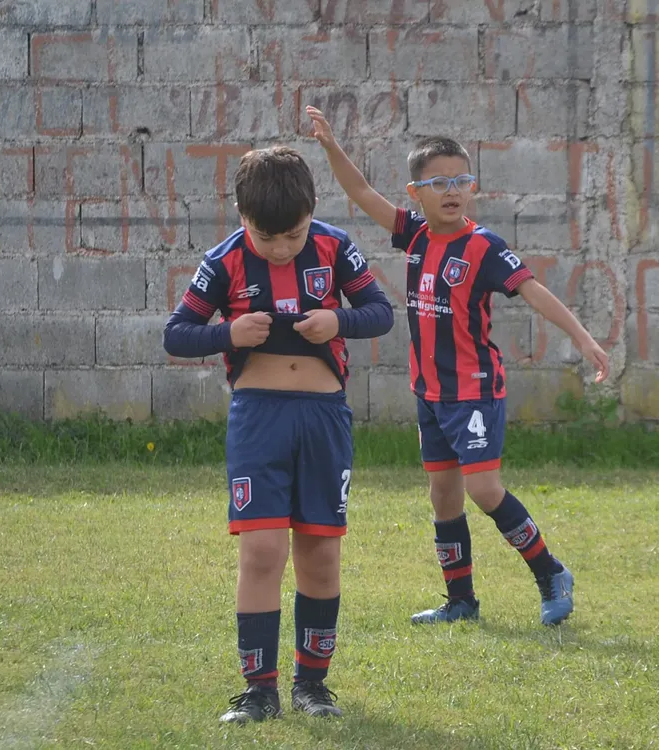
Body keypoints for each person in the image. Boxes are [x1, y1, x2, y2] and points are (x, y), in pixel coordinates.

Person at [307, 106, 609, 628]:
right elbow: (360, 193)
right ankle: (461, 602)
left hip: (474, 390)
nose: (452, 190)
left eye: (461, 180)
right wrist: (332, 147)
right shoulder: (415, 235)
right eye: (439, 181)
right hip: (430, 392)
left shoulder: (484, 246)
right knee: (444, 497)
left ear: (472, 188)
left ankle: (551, 572)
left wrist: (582, 339)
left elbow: (533, 292)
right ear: (415, 192)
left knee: (484, 489)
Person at [163, 145, 394, 723]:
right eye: (268, 238)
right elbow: (177, 333)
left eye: (293, 235)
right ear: (242, 217)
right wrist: (229, 333)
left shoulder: (336, 246)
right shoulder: (223, 261)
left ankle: (312, 687)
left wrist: (340, 320)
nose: (282, 247)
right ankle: (259, 690)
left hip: (322, 418)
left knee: (319, 555)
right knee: (262, 553)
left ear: (312, 210)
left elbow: (383, 312)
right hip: (258, 418)